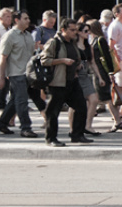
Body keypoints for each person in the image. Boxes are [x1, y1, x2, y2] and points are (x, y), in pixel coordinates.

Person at [38, 19, 91, 147]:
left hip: (72, 81)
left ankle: (77, 135)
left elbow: (76, 58)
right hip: (58, 82)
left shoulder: (72, 43)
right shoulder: (54, 42)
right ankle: (51, 138)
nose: (75, 32)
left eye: (75, 30)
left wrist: (77, 66)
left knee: (81, 106)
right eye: (72, 30)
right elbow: (44, 60)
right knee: (53, 111)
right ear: (63, 30)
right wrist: (62, 60)